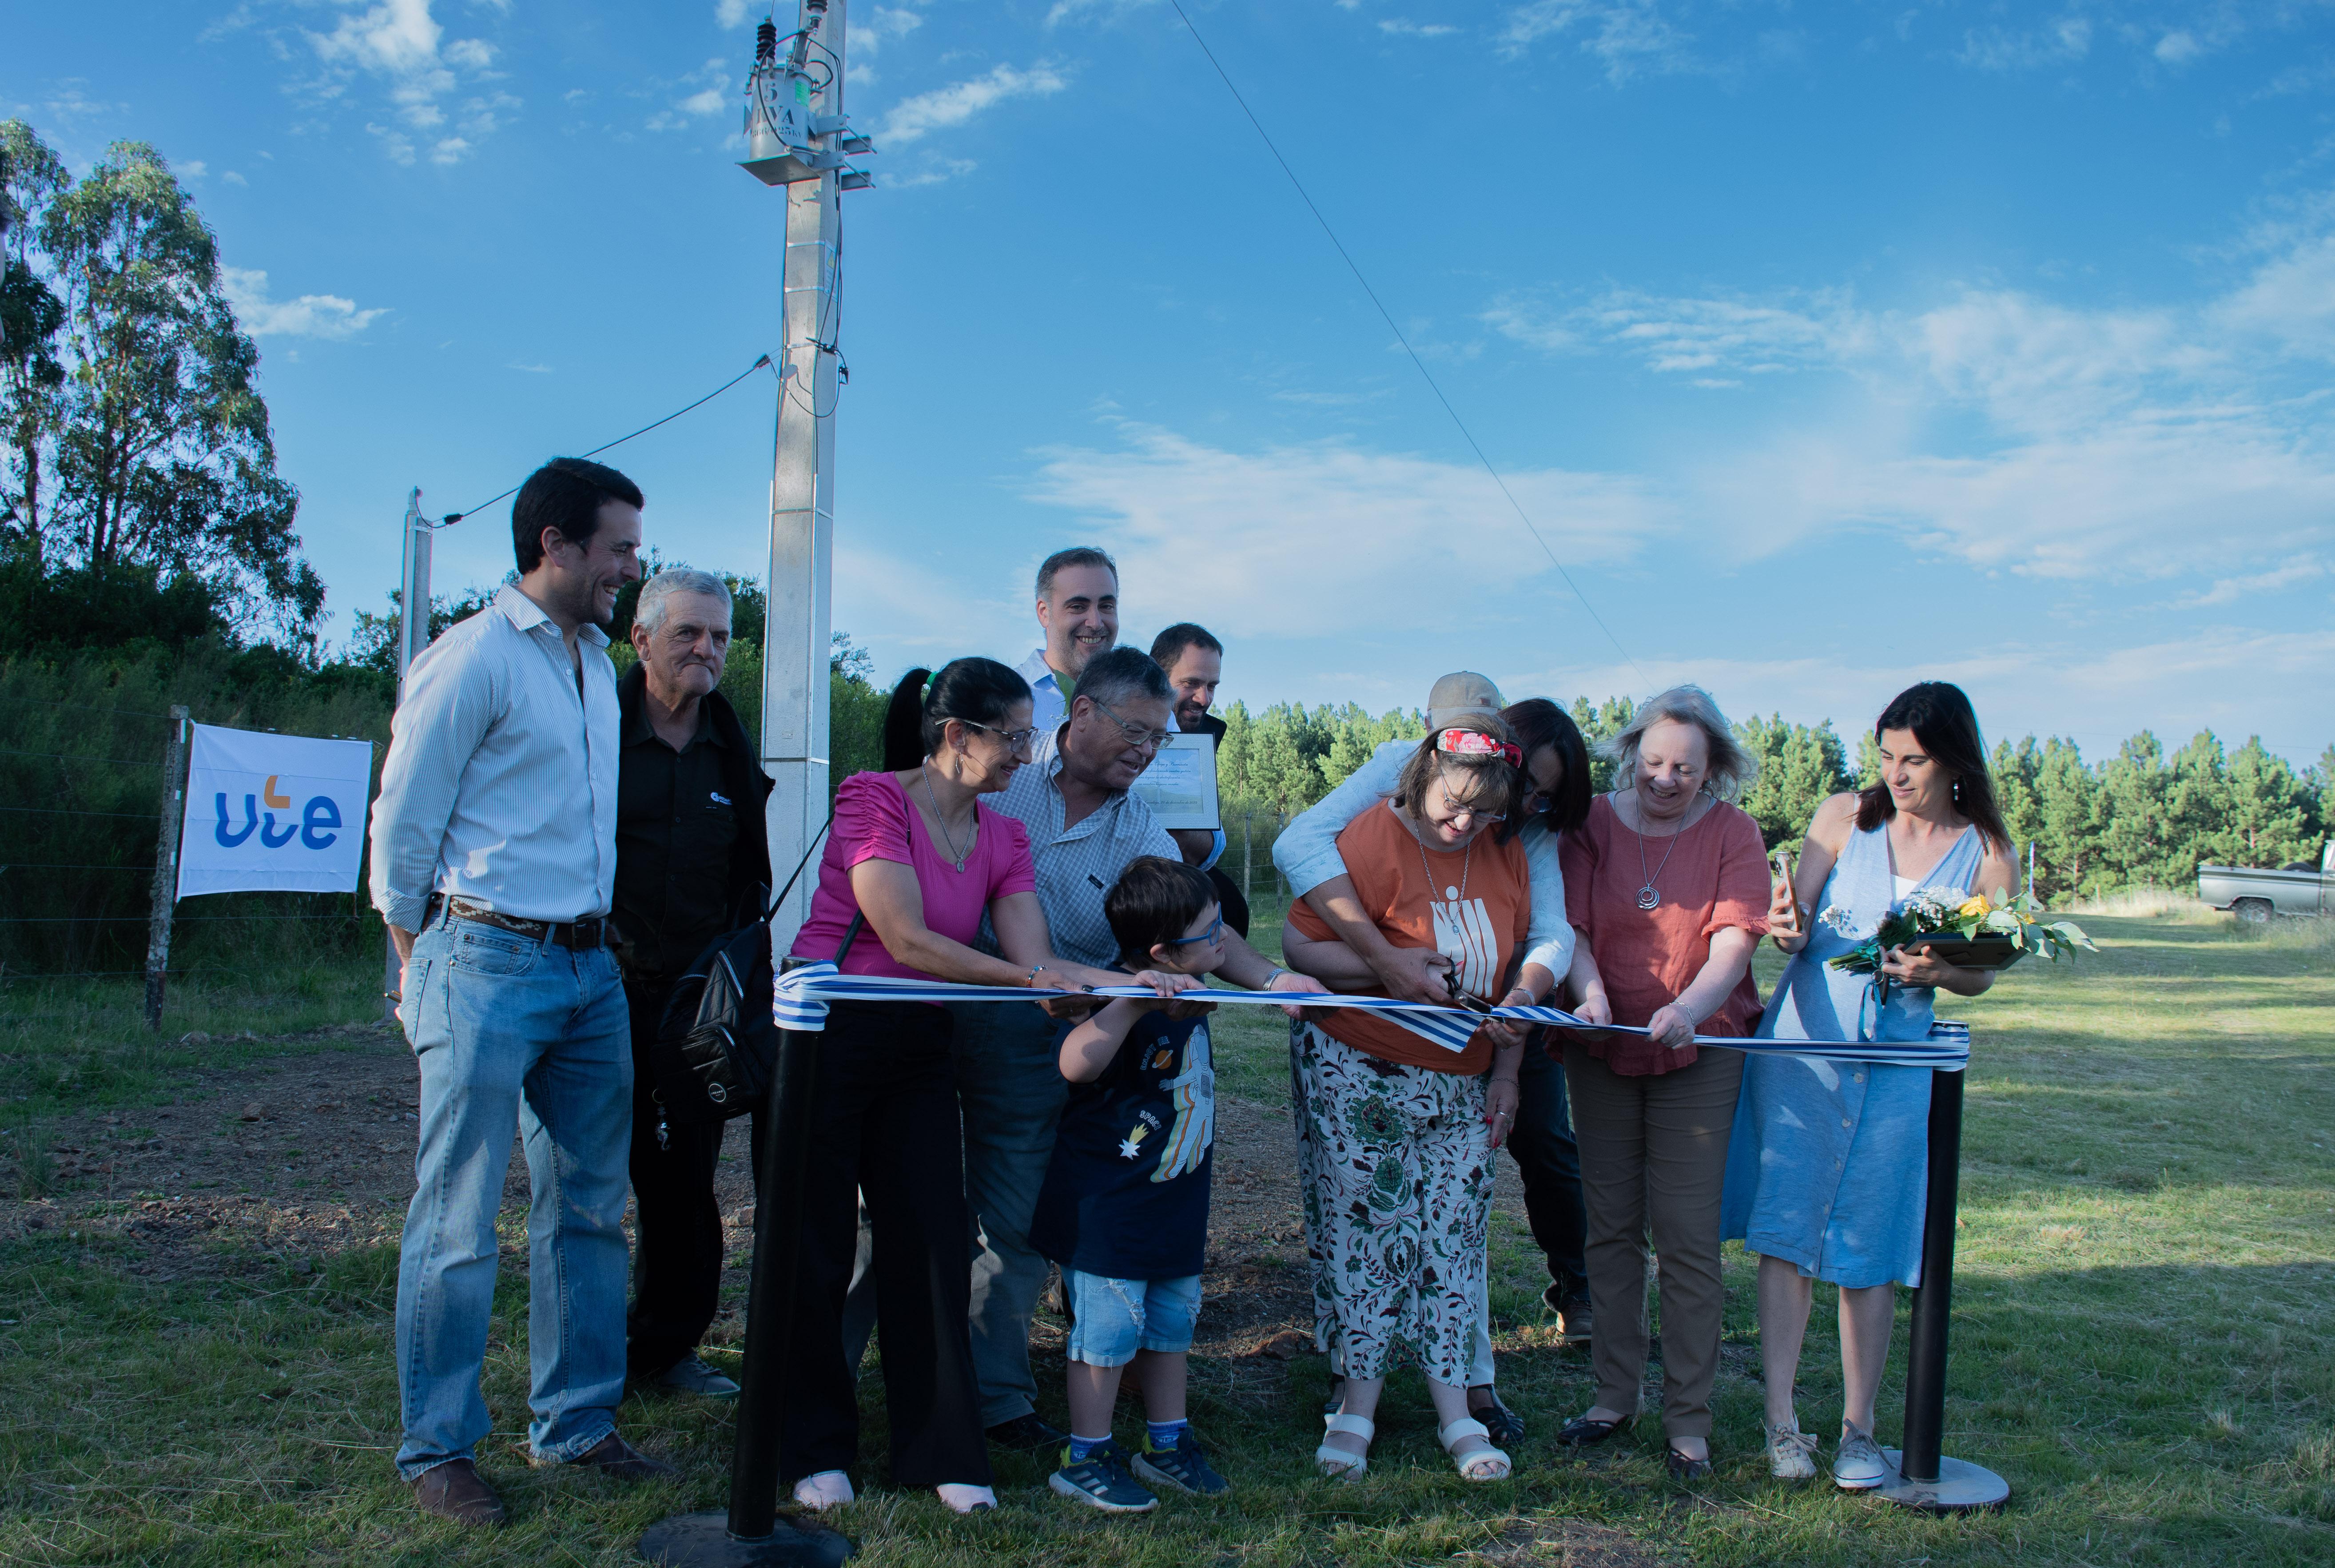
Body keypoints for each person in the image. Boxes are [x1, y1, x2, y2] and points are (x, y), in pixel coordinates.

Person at [370, 457, 668, 1528]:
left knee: (591, 1207)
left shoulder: (593, 663)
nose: (634, 569)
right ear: (556, 544)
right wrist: (423, 954)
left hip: (593, 972)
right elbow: (402, 829)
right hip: (483, 959)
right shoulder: (473, 659)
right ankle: (438, 1448)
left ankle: (577, 1427)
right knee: (456, 1215)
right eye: (621, 548)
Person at [776, 658, 1139, 1516]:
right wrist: (1031, 986)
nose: (1025, 754)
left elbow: (1034, 958)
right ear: (956, 736)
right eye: (1013, 737)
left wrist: (1128, 981)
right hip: (826, 1037)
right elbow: (905, 939)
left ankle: (941, 1449)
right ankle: (811, 1447)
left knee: (933, 1239)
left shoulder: (1004, 836)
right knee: (819, 1244)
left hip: (917, 1046)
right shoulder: (871, 799)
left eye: (1028, 737)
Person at [960, 647, 1324, 1455]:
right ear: (1081, 713)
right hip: (973, 1014)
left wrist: (1272, 980)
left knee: (1049, 1212)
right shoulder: (1006, 774)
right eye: (1136, 731)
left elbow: (1203, 921)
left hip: (1083, 1033)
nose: (1147, 751)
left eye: (1159, 741)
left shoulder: (1138, 823)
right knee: (965, 1215)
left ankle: (1022, 1389)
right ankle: (972, 1391)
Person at [1272, 676, 1593, 1448]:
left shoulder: (1513, 837)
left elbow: (1545, 933)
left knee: (1453, 1234)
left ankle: (1464, 1402)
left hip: (1472, 1063)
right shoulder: (1386, 796)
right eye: (1469, 803)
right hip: (1365, 1062)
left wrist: (1519, 1016)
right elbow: (1297, 871)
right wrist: (1389, 964)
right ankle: (1357, 1398)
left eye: (1519, 804)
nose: (1496, 819)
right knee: (1367, 1226)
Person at [1723, 681, 2020, 1488]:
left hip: (1898, 1065)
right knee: (1785, 1233)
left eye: (1913, 760)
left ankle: (1859, 1434)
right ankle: (1781, 1426)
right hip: (1805, 1052)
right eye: (1885, 755)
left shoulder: (1989, 854)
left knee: (1871, 1242)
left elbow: (1980, 979)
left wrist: (1939, 967)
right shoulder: (1841, 816)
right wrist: (1785, 926)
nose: (1894, 773)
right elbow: (1796, 929)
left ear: (1954, 759)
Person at [1551, 685, 1770, 1481]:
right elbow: (1570, 927)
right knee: (1608, 1227)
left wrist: (1686, 1009)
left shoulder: (1733, 832)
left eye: (1684, 767)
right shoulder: (1593, 825)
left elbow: (1733, 946)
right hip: (1600, 1042)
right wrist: (1589, 993)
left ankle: (1689, 1422)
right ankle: (1613, 1397)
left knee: (1683, 1238)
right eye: (1652, 762)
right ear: (1631, 754)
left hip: (1699, 1047)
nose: (1664, 778)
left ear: (1713, 770)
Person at [611, 569, 772, 1402]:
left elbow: (750, 871)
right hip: (594, 994)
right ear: (640, 640)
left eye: (720, 637)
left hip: (697, 1008)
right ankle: (586, 1357)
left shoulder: (728, 744)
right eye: (689, 635)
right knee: (591, 1182)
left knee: (684, 1184)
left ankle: (667, 1353)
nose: (709, 651)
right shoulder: (592, 730)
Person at [1031, 857, 1234, 1513]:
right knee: (1109, 1331)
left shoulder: (1194, 990)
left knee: (1172, 1320)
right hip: (1110, 1208)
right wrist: (1125, 1006)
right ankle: (1084, 1454)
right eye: (1211, 932)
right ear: (1161, 953)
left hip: (1173, 1201)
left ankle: (1166, 1442)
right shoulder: (1120, 994)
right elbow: (1073, 1063)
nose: (1223, 939)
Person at [1148, 621, 1245, 935]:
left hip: (1181, 902)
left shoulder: (1203, 738)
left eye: (1212, 685)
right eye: (1190, 683)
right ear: (1156, 677)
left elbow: (1210, 843)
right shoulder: (1113, 733)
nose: (1203, 698)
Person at [1020, 546, 1122, 750]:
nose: (1096, 623)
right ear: (1044, 612)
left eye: (1106, 606)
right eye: (1078, 607)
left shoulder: (1147, 704)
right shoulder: (1002, 697)